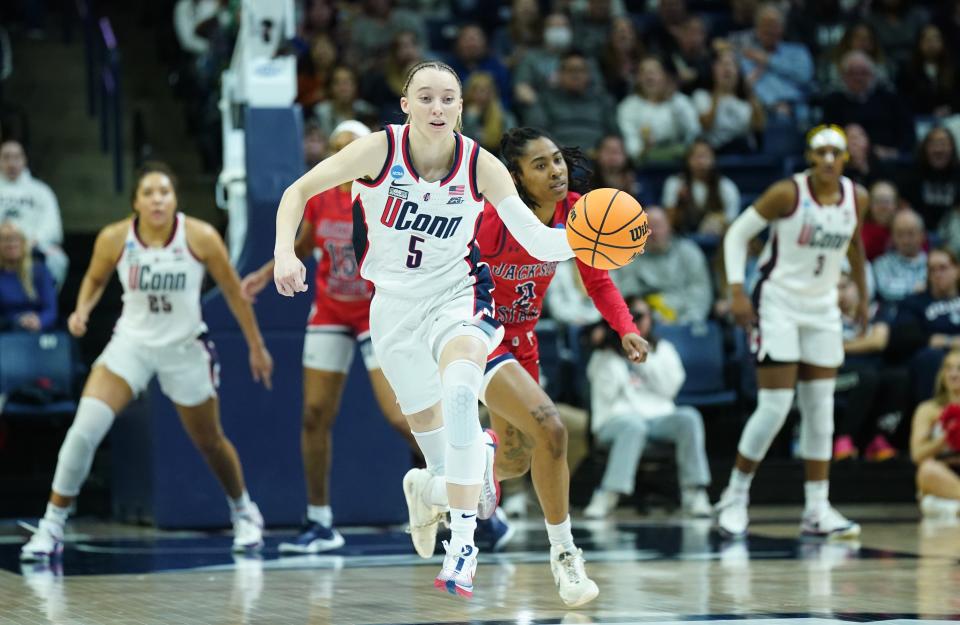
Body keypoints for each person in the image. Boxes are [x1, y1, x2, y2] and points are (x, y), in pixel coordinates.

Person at [272, 62, 580, 599]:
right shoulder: (377, 151)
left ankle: (462, 547)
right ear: (407, 105)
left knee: (462, 390)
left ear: (461, 109)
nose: (437, 108)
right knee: (455, 475)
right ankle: (432, 488)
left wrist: (592, 242)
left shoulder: (481, 166)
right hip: (392, 312)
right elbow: (296, 192)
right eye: (426, 97)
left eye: (448, 99)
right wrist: (283, 254)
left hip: (458, 297)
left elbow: (537, 240)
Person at [404, 127, 649, 606]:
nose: (556, 171)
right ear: (514, 176)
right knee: (551, 429)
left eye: (557, 160)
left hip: (523, 343)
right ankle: (565, 555)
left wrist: (625, 328)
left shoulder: (580, 212)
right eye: (540, 165)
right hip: (476, 332)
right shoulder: (491, 220)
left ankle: (430, 489)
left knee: (513, 460)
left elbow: (598, 282)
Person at [20, 162, 274, 561]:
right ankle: (52, 525)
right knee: (84, 431)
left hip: (185, 347)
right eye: (149, 193)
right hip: (132, 344)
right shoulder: (115, 237)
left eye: (165, 192)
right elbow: (95, 278)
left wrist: (257, 346)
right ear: (136, 202)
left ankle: (245, 512)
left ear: (175, 199)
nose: (158, 199)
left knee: (210, 441)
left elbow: (233, 292)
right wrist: (83, 309)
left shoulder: (200, 237)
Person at [241, 122, 417, 554]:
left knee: (400, 416)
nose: (343, 155)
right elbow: (303, 244)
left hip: (378, 312)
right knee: (315, 414)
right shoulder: (320, 198)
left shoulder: (389, 196)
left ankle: (473, 489)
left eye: (350, 147)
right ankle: (320, 521)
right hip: (332, 310)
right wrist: (267, 273)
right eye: (335, 149)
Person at [715, 124, 870, 538]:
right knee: (776, 406)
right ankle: (735, 495)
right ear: (809, 157)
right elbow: (736, 234)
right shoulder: (787, 193)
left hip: (822, 308)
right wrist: (736, 290)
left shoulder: (857, 197)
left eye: (835, 153)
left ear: (845, 159)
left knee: (821, 409)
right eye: (819, 152)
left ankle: (817, 509)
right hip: (777, 302)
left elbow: (854, 246)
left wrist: (862, 293)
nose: (827, 160)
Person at [585, 296, 712, 519]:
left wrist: (644, 357)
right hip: (616, 420)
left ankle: (695, 492)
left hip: (657, 418)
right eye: (630, 316)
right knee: (634, 426)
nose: (636, 321)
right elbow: (606, 394)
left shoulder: (663, 349)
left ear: (650, 319)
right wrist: (616, 349)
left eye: (641, 316)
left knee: (689, 418)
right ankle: (608, 493)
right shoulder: (604, 354)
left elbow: (670, 389)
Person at [0, 140, 68, 287]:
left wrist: (30, 243)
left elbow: (53, 227)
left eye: (16, 157)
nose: (12, 163)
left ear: (24, 160)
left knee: (58, 260)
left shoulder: (41, 191)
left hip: (33, 247)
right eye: (6, 157)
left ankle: (44, 306)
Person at [910, 348, 960, 518]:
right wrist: (946, 437)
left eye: (959, 368)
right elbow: (917, 455)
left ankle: (948, 507)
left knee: (931, 503)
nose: (953, 374)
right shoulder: (928, 409)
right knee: (927, 470)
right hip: (944, 472)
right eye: (948, 368)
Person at [0, 220, 56, 331]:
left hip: (37, 333)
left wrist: (40, 321)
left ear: (24, 243)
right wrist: (16, 321)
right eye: (6, 239)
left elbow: (51, 310)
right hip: (5, 333)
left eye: (16, 239)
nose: (11, 244)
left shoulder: (39, 271)